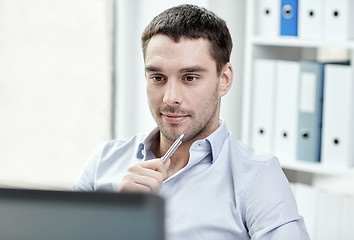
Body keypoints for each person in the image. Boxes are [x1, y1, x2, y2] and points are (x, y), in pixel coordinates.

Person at [73, 4, 310, 240]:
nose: (170, 97)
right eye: (158, 77)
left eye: (189, 78)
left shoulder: (257, 176)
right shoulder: (104, 162)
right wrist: (115, 218)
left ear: (224, 79)